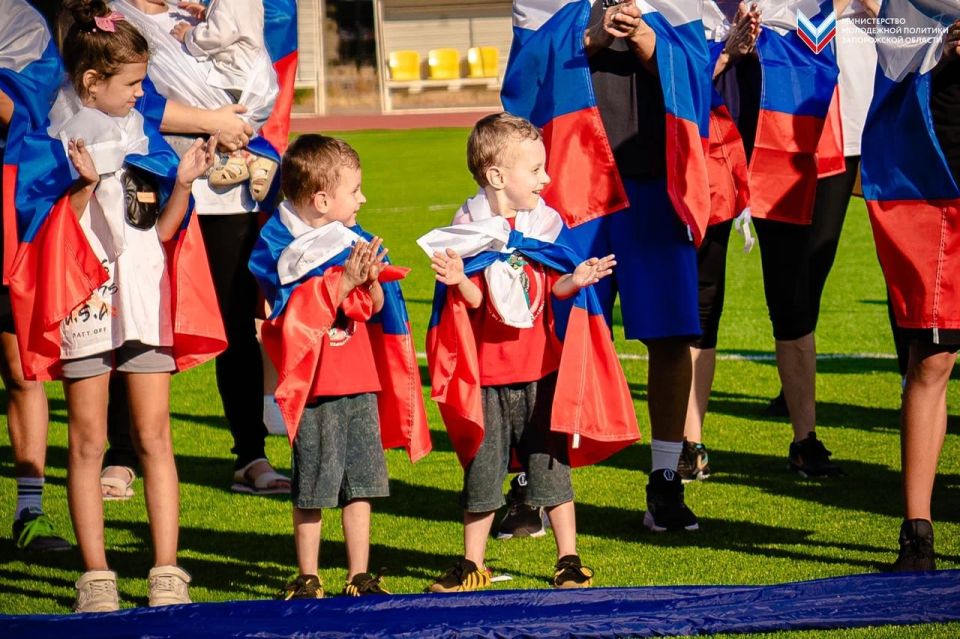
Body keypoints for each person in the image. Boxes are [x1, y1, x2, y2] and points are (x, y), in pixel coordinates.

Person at [9, 0, 219, 611]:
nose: (142, 94)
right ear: (91, 83)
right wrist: (79, 187)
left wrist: (180, 182)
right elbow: (52, 243)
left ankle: (166, 569)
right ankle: (95, 575)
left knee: (155, 436)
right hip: (85, 309)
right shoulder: (51, 143)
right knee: (87, 442)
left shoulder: (142, 140)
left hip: (145, 307)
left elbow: (158, 233)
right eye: (133, 83)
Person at [420, 113, 637, 592]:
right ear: (497, 176)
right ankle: (471, 563)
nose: (547, 178)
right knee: (482, 472)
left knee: (550, 468)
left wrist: (574, 281)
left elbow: (549, 284)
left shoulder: (547, 224)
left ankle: (569, 558)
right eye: (536, 169)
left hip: (542, 372)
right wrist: (458, 280)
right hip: (488, 380)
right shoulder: (467, 228)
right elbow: (477, 302)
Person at [110, 0, 290, 495]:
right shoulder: (114, 16)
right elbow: (128, 99)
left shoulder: (201, 14)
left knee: (236, 322)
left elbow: (250, 77)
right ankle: (122, 454)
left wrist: (235, 121)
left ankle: (251, 455)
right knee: (138, 317)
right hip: (152, 183)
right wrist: (213, 120)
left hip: (229, 195)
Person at [249, 134, 430, 599]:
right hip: (316, 387)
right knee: (311, 487)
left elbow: (368, 309)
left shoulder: (356, 240)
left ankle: (359, 574)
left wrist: (368, 283)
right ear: (322, 200)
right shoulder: (277, 244)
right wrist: (341, 281)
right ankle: (308, 574)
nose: (363, 199)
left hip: (359, 379)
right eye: (355, 191)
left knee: (361, 484)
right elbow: (291, 313)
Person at [579, 1, 704, 530]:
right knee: (553, 334)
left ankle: (665, 479)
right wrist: (590, 39)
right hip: (575, 179)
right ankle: (531, 482)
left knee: (671, 336)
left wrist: (652, 46)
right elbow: (524, 72)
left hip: (658, 180)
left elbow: (703, 76)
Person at [861, 3, 960, 571]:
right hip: (937, 168)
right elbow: (896, 44)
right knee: (933, 358)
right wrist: (945, 47)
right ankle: (917, 535)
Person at [0, 0, 72, 552]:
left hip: (10, 210)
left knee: (22, 366)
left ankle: (30, 510)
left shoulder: (19, 18)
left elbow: (27, 111)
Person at [169, 0, 279, 201]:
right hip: (250, 75)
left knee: (217, 114)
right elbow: (235, 22)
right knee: (232, 120)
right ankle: (252, 161)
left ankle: (242, 157)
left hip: (236, 75)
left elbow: (218, 35)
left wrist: (188, 33)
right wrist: (207, 14)